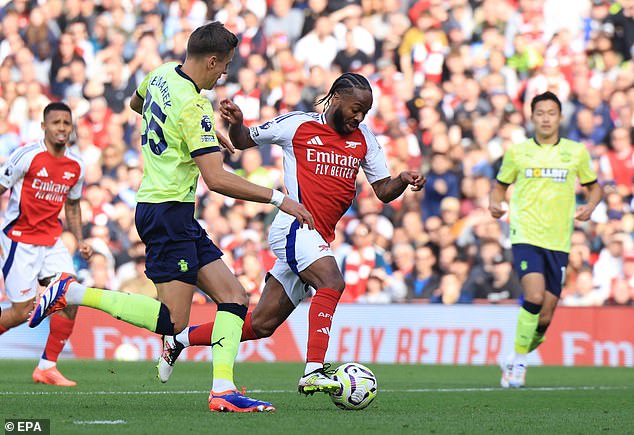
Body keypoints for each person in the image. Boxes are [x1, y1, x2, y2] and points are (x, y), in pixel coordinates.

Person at [28, 22, 314, 413]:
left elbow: (136, 103)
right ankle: (71, 292)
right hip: (167, 213)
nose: (224, 73)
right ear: (211, 60)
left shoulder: (161, 73)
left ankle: (223, 390)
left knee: (233, 297)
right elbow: (215, 179)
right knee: (172, 322)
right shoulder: (194, 106)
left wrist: (204, 138)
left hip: (167, 210)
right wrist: (281, 200)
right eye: (225, 66)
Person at [157, 72, 426, 395]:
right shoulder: (298, 125)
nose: (359, 116)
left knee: (261, 325)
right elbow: (242, 142)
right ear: (336, 98)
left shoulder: (365, 138)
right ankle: (313, 370)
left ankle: (179, 340)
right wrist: (237, 123)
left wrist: (402, 179)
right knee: (332, 281)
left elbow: (382, 190)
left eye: (365, 112)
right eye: (355, 108)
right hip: (295, 225)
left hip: (318, 237)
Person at [489, 91, 602, 388]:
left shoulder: (576, 152)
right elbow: (500, 186)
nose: (546, 118)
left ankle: (516, 354)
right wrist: (495, 203)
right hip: (525, 233)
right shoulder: (518, 152)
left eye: (551, 112)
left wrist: (590, 206)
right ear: (532, 117)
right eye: (540, 112)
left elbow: (594, 187)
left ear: (560, 117)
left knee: (545, 317)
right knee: (535, 296)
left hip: (559, 239)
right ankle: (518, 364)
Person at [0, 102, 92, 386]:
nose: (62, 128)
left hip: (52, 240)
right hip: (20, 240)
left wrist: (79, 239)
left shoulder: (76, 165)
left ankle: (47, 366)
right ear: (44, 127)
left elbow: (73, 205)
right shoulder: (26, 156)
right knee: (21, 312)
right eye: (56, 123)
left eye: (66, 123)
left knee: (70, 296)